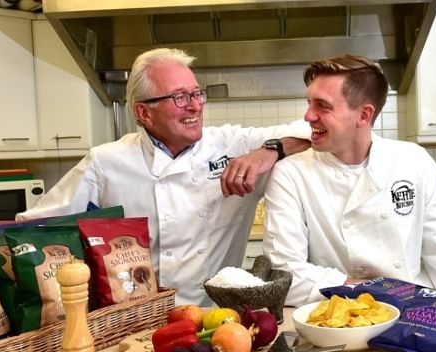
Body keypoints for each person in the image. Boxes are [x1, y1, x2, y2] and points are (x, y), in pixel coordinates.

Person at [16, 47, 310, 306]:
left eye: (196, 93)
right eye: (179, 97)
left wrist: (269, 152)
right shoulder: (106, 162)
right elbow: (35, 229)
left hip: (216, 317)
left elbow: (317, 131)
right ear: (143, 112)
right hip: (132, 323)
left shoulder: (233, 145)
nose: (195, 105)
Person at [263, 54, 436, 307]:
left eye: (322, 105)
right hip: (331, 321)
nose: (308, 116)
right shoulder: (291, 174)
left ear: (364, 115)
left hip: (410, 319)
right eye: (309, 103)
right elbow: (283, 274)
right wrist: (376, 291)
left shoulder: (412, 161)